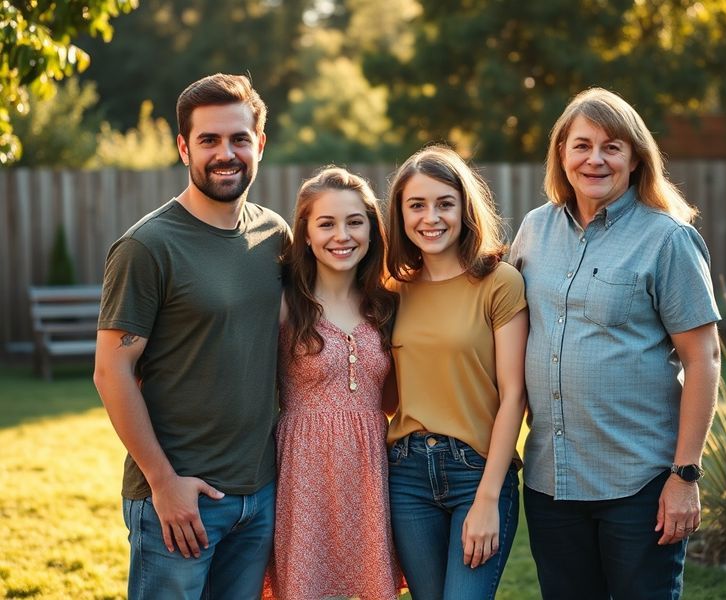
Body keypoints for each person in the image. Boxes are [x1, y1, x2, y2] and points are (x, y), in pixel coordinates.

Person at [509, 87, 721, 599]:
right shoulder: (535, 230)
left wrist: (685, 476)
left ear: (634, 157)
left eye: (612, 146)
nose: (595, 159)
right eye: (582, 145)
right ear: (562, 153)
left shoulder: (667, 239)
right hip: (550, 483)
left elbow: (704, 358)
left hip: (639, 485)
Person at [93, 73, 290, 600]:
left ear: (260, 144)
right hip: (178, 501)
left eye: (238, 138)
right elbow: (111, 372)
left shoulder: (275, 234)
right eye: (208, 140)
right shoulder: (147, 246)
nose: (226, 153)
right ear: (184, 147)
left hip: (258, 494)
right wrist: (162, 482)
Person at [385, 145, 528, 600]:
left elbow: (514, 395)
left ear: (465, 209)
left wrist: (487, 499)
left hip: (477, 471)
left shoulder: (499, 282)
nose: (432, 217)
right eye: (417, 205)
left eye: (445, 203)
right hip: (406, 474)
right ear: (401, 215)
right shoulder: (393, 289)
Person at [262, 167, 403, 600]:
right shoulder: (285, 305)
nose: (342, 235)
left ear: (371, 230)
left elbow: (396, 396)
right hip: (303, 471)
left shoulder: (386, 303)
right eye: (326, 223)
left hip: (369, 470)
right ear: (305, 233)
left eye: (354, 221)